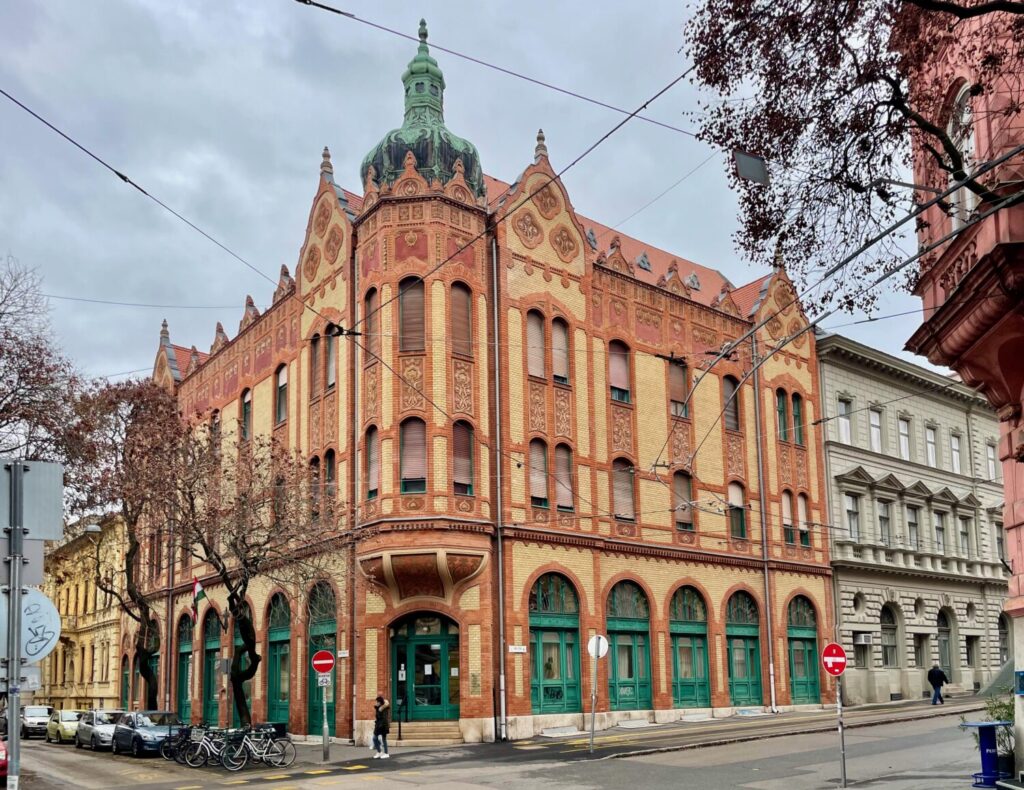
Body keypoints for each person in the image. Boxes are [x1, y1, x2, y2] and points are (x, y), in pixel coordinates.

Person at [372, 693, 391, 759]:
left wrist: (380, 725)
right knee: (374, 738)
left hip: (383, 726)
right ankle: (379, 752)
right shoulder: (378, 708)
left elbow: (384, 719)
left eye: (377, 702)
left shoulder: (384, 709)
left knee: (383, 739)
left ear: (380, 702)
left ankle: (386, 753)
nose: (376, 703)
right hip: (378, 725)